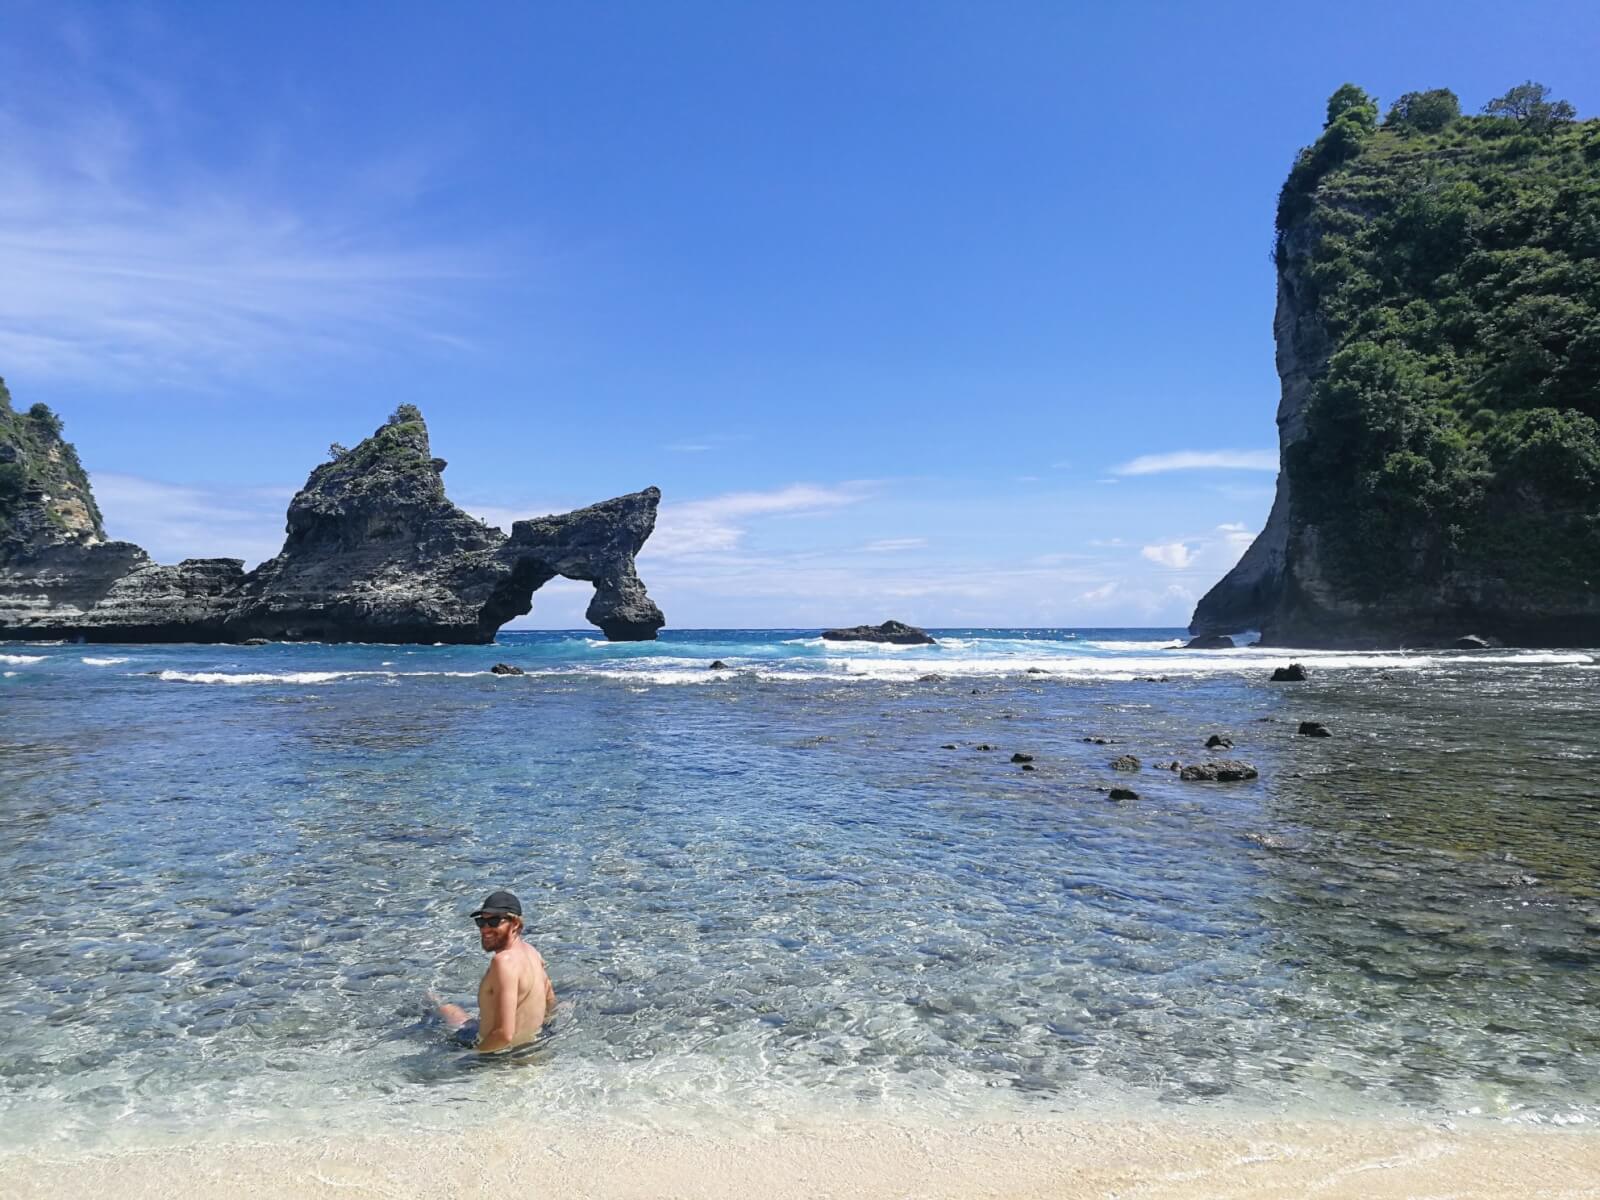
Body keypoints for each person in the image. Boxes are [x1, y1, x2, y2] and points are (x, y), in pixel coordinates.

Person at [430, 889, 555, 1052]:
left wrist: (471, 1058)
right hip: (527, 1046)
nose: (485, 929)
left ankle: (427, 1002)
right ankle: (432, 1000)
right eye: (481, 922)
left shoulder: (504, 962)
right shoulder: (533, 953)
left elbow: (504, 1035)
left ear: (515, 923)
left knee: (432, 1011)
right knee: (447, 1009)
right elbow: (551, 1003)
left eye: (494, 922)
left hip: (496, 1053)